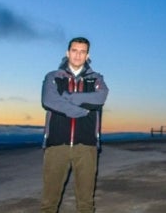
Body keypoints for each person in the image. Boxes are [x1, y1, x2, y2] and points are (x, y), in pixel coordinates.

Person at [41, 37, 109, 213]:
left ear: (88, 55)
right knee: (49, 201)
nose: (78, 55)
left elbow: (100, 98)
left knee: (86, 202)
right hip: (56, 145)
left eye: (82, 51)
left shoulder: (96, 79)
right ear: (67, 52)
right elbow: (49, 101)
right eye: (74, 50)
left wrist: (69, 97)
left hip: (87, 146)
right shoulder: (53, 77)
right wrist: (81, 110)